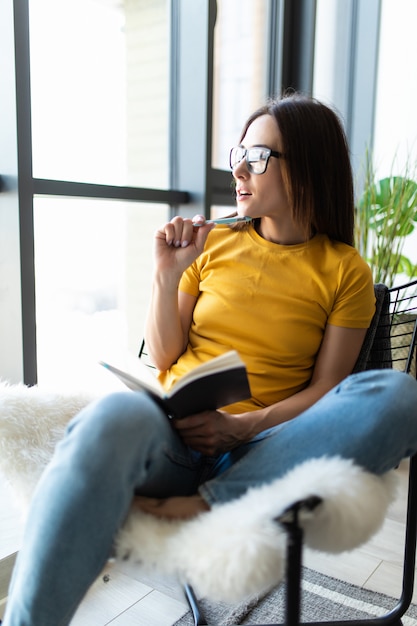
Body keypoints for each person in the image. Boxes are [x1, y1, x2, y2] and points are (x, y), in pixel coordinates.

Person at [4, 92, 417, 626]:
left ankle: (215, 500)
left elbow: (327, 390)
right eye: (238, 154)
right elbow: (164, 353)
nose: (240, 169)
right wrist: (166, 274)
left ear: (309, 169)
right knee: (107, 416)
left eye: (260, 157)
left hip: (265, 448)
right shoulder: (213, 244)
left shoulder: (345, 271)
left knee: (398, 395)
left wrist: (242, 429)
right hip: (170, 435)